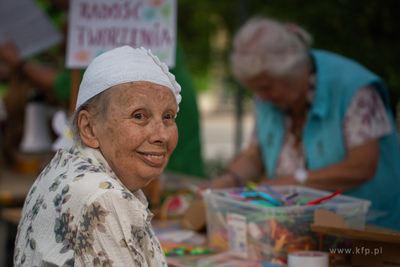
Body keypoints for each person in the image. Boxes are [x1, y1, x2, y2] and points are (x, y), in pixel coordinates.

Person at [208, 17, 400, 231]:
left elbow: (362, 167)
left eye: (266, 87)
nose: (261, 98)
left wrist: (294, 181)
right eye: (256, 90)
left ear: (292, 72)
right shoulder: (268, 96)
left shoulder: (352, 88)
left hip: (371, 231)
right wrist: (229, 180)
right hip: (300, 230)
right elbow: (255, 154)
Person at [13, 45, 181, 266]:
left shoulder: (65, 165)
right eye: (139, 116)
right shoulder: (104, 198)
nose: (162, 135)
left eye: (168, 116)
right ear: (89, 128)